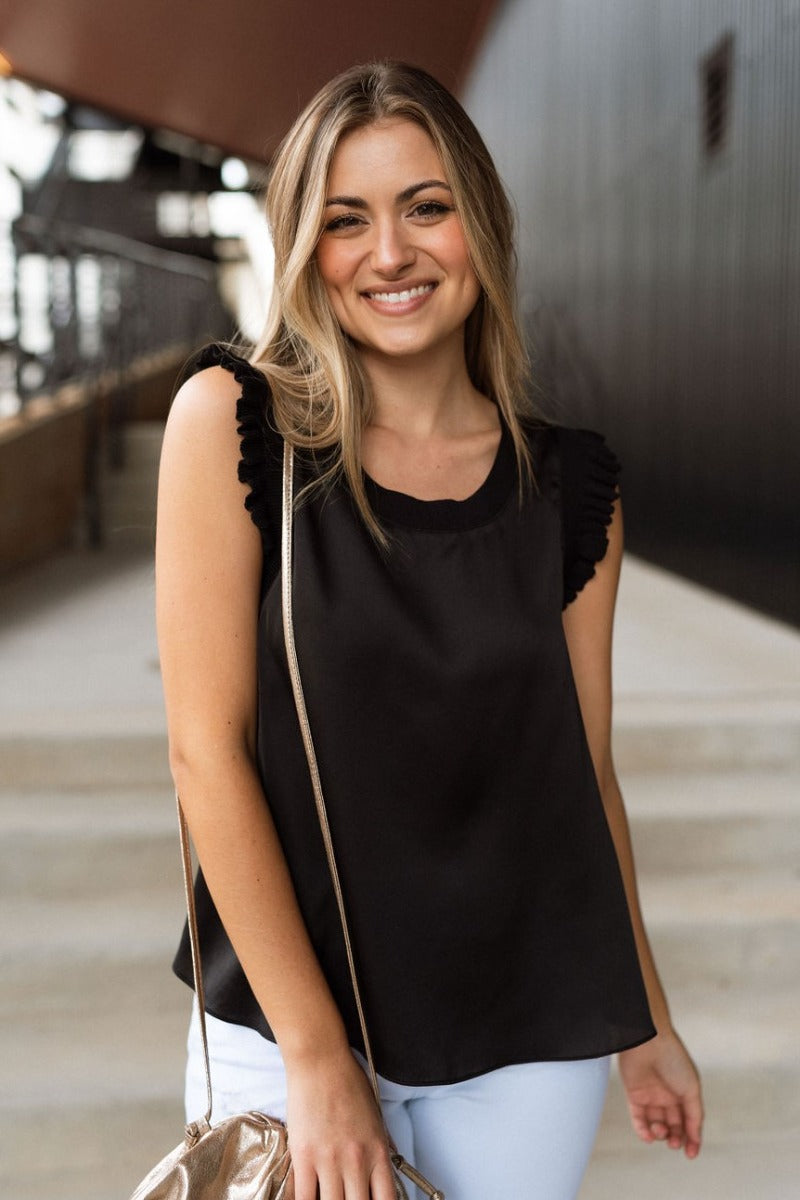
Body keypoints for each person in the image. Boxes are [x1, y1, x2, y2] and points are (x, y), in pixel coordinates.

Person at [155, 60, 703, 1200]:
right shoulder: (234, 425)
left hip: (525, 1025)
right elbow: (206, 750)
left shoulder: (570, 487)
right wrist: (317, 1059)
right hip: (284, 1017)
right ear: (304, 248)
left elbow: (581, 774)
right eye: (343, 221)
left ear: (481, 229)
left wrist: (641, 1016)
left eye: (425, 207)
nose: (388, 255)